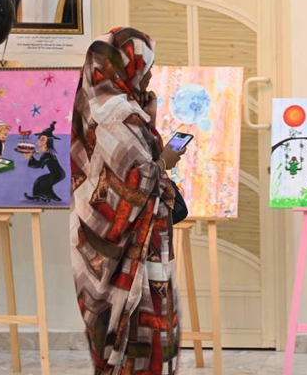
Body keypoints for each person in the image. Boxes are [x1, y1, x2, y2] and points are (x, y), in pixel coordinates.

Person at [70, 27, 186, 374]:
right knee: (141, 335)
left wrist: (145, 113)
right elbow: (136, 182)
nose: (150, 74)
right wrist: (164, 160)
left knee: (120, 338)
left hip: (100, 238)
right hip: (132, 249)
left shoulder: (93, 104)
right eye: (146, 66)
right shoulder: (118, 113)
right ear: (128, 66)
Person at [23, 121, 66, 202]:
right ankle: (48, 195)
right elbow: (39, 153)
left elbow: (38, 165)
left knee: (40, 181)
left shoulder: (47, 155)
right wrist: (33, 154)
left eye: (42, 139)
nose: (39, 142)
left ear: (47, 141)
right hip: (58, 173)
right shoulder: (47, 154)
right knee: (44, 182)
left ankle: (40, 195)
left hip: (57, 174)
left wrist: (30, 158)